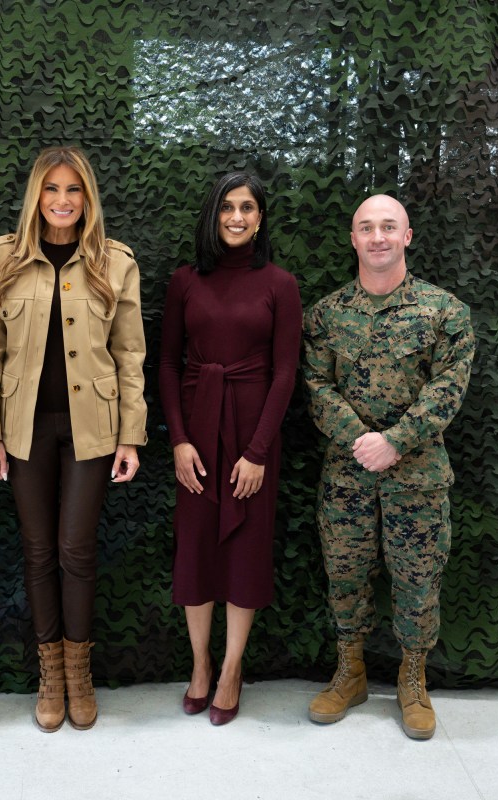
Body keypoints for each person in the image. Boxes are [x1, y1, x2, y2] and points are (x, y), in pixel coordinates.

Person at [0, 145, 147, 732]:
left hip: (91, 429)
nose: (63, 201)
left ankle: (79, 672)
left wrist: (132, 435)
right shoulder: (1, 259)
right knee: (39, 551)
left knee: (76, 549)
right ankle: (49, 673)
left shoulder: (115, 262)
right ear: (36, 196)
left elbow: (129, 354)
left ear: (88, 198)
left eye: (74, 190)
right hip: (24, 429)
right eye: (52, 189)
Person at [302, 194, 475, 740]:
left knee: (418, 580)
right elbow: (315, 384)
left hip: (418, 478)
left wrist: (396, 441)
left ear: (408, 236)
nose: (377, 236)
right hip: (347, 476)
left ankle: (413, 679)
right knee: (345, 576)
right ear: (353, 239)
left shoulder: (444, 311)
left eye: (388, 227)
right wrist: (361, 440)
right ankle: (350, 671)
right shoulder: (326, 315)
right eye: (365, 227)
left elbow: (450, 387)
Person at [159, 172, 302, 726]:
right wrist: (178, 441)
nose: (236, 217)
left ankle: (232, 669)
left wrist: (259, 452)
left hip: (252, 433)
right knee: (195, 548)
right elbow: (168, 365)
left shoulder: (280, 284)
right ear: (213, 216)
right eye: (226, 208)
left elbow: (286, 374)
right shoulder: (185, 282)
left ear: (260, 218)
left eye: (247, 208)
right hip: (196, 429)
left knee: (244, 549)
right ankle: (199, 664)